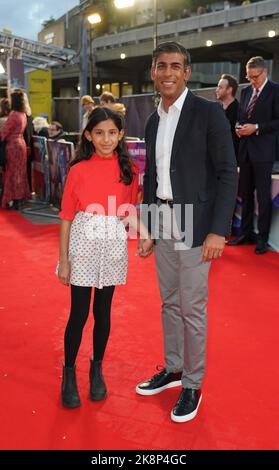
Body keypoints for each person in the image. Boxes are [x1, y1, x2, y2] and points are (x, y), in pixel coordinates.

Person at [136, 41, 238, 423]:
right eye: (161, 65)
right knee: (169, 301)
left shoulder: (208, 114)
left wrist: (218, 231)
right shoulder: (151, 120)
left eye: (175, 66)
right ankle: (174, 368)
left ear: (187, 72)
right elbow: (151, 178)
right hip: (162, 220)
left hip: (196, 224)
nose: (167, 73)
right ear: (153, 71)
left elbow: (228, 173)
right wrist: (146, 224)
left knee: (191, 307)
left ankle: (193, 384)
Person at [57, 106, 144, 408]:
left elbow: (127, 211)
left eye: (112, 133)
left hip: (112, 244)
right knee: (79, 313)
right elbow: (67, 216)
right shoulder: (78, 170)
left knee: (103, 312)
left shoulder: (129, 171)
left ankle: (97, 368)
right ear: (88, 135)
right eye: (99, 133)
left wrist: (143, 234)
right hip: (82, 242)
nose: (106, 139)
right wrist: (64, 259)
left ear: (121, 135)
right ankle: (68, 373)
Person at [227, 56, 279, 254]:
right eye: (248, 77)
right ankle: (245, 234)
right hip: (245, 151)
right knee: (246, 195)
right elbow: (241, 116)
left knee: (263, 198)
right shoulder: (246, 91)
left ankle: (262, 239)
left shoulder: (275, 91)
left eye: (254, 77)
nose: (251, 81)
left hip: (264, 153)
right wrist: (239, 127)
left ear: (264, 72)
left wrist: (256, 128)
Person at [0, 89, 30, 210]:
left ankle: (14, 199)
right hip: (21, 144)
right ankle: (20, 199)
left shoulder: (13, 114)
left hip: (12, 146)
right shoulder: (23, 114)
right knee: (20, 173)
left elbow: (5, 133)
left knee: (11, 173)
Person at [215, 73, 239, 159]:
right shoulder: (217, 110)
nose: (216, 90)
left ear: (229, 90)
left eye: (220, 87)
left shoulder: (239, 111)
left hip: (233, 159)